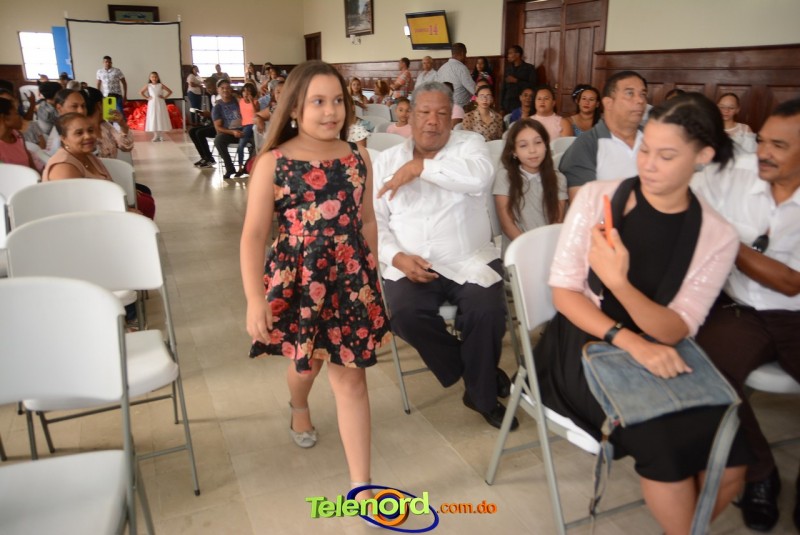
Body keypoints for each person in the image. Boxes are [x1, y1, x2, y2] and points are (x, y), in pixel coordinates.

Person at [536, 93, 750, 534]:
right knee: (667, 447)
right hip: (583, 346)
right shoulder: (597, 199)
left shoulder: (717, 235)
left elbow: (675, 328)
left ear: (703, 156)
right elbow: (564, 294)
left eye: (666, 156)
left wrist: (620, 284)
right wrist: (630, 340)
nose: (648, 165)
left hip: (660, 348)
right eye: (645, 149)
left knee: (732, 461)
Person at [240, 60, 389, 507]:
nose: (331, 111)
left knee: (352, 381)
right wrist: (254, 299)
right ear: (294, 108)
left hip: (350, 281)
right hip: (299, 280)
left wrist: (371, 278)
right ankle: (299, 407)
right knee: (307, 364)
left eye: (337, 100)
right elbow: (253, 235)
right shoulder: (273, 162)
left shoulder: (358, 156)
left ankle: (361, 486)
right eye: (318, 102)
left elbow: (367, 221)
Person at [373, 81, 516, 430]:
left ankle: (481, 397)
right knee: (405, 315)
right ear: (410, 116)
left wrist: (422, 168)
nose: (432, 121)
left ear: (452, 117)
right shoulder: (386, 161)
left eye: (440, 113)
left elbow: (479, 179)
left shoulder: (470, 145)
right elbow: (375, 221)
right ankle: (478, 373)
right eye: (424, 112)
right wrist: (396, 257)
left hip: (469, 258)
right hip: (411, 263)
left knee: (488, 312)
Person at [693, 98, 800, 533]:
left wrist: (725, 240)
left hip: (795, 313)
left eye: (779, 146)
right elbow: (681, 198)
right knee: (701, 371)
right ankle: (760, 473)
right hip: (740, 309)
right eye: (762, 142)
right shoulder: (733, 177)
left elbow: (791, 283)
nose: (764, 153)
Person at [559, 70, 648, 201]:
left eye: (643, 94)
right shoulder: (586, 145)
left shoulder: (654, 139)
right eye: (630, 93)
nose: (640, 100)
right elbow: (585, 207)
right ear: (608, 103)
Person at [493, 118, 566, 248]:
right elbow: (507, 224)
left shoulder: (558, 179)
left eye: (538, 142)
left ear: (546, 145)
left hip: (548, 248)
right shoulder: (505, 176)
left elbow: (557, 222)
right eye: (523, 145)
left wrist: (545, 250)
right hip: (518, 250)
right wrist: (529, 249)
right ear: (514, 151)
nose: (532, 150)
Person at [42, 113, 112, 181]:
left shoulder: (88, 156)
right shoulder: (63, 166)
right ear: (64, 139)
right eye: (79, 133)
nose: (88, 136)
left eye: (90, 131)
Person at [83, 87, 134, 159]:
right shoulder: (83, 130)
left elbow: (126, 147)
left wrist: (122, 124)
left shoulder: (105, 125)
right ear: (99, 105)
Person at [211, 79, 243, 179]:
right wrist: (232, 132)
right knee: (218, 140)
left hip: (244, 130)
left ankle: (246, 168)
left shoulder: (238, 101)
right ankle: (230, 168)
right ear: (218, 90)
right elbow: (218, 127)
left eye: (228, 88)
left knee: (259, 140)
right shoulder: (218, 107)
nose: (225, 90)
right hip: (230, 133)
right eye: (222, 88)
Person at [45, 88, 88, 155]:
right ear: (59, 108)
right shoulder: (61, 137)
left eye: (83, 106)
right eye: (74, 106)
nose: (81, 111)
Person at [0, 98, 37, 170]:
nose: (20, 117)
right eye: (17, 113)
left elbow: (30, 161)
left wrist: (37, 175)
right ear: (4, 118)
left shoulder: (17, 135)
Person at [435, 42, 476, 108]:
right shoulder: (461, 68)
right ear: (462, 53)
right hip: (461, 108)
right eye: (465, 54)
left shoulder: (441, 68)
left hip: (444, 107)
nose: (466, 57)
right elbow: (473, 89)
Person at [500, 45, 537, 115]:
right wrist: (501, 106)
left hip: (521, 103)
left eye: (510, 53)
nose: (508, 56)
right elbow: (503, 88)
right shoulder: (508, 69)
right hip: (507, 103)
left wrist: (516, 81)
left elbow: (532, 85)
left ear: (517, 54)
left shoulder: (529, 68)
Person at [140, 72, 173, 142]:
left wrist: (164, 97)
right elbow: (141, 92)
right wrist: (147, 98)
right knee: (153, 117)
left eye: (155, 77)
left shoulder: (160, 85)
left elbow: (170, 91)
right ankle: (155, 135)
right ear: (150, 78)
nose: (154, 78)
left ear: (158, 78)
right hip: (152, 103)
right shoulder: (148, 85)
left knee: (160, 117)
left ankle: (160, 135)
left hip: (160, 103)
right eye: (152, 77)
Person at [235, 82, 258, 177]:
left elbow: (256, 114)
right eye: (244, 91)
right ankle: (241, 166)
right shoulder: (240, 101)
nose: (246, 93)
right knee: (242, 145)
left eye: (249, 91)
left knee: (242, 144)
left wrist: (251, 101)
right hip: (243, 125)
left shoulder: (256, 102)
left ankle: (243, 167)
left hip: (252, 125)